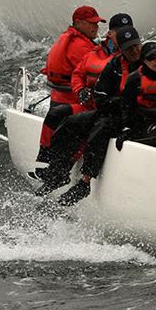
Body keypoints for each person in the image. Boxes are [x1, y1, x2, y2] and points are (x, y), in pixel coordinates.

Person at [36, 26, 144, 200]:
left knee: (99, 128)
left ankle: (84, 183)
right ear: (121, 49)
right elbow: (98, 92)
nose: (135, 51)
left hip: (136, 115)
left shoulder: (152, 60)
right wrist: (83, 92)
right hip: (109, 111)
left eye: (137, 46)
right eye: (130, 48)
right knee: (71, 121)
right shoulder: (112, 63)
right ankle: (58, 171)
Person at [35, 6, 105, 164]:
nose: (96, 27)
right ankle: (64, 165)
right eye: (92, 23)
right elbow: (95, 74)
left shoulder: (65, 37)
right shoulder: (82, 46)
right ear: (78, 23)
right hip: (72, 100)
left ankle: (47, 157)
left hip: (57, 98)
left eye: (97, 23)